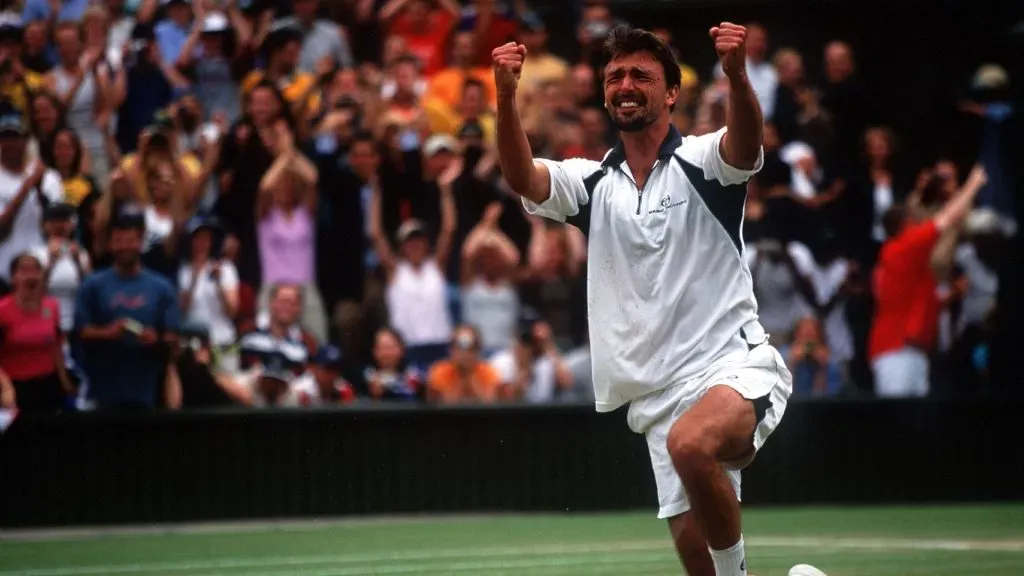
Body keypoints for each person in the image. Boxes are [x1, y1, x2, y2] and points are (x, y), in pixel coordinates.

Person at [492, 24, 822, 576]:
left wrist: (737, 75)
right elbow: (522, 175)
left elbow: (745, 145)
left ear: (671, 93)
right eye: (615, 75)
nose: (625, 83)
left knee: (693, 445)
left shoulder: (703, 160)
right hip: (655, 401)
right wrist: (505, 98)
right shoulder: (592, 183)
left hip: (733, 366)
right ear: (603, 92)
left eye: (641, 75)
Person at [869, 165, 988, 399]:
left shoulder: (906, 262)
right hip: (897, 352)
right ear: (904, 225)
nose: (918, 223)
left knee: (913, 427)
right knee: (897, 422)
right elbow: (946, 219)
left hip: (912, 351)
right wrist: (973, 183)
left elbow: (919, 299)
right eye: (913, 221)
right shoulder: (902, 248)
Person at [74, 208, 181, 410]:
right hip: (102, 388)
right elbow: (80, 331)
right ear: (110, 245)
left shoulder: (162, 287)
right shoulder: (93, 285)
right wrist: (108, 332)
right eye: (119, 241)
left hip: (147, 389)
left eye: (130, 241)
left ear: (140, 243)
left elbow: (173, 338)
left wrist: (155, 339)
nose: (125, 246)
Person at [0, 253, 74, 412]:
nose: (31, 276)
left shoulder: (52, 306)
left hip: (47, 384)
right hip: (15, 387)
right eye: (25, 270)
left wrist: (64, 381)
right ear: (13, 278)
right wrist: (5, 387)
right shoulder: (2, 311)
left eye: (36, 270)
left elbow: (56, 345)